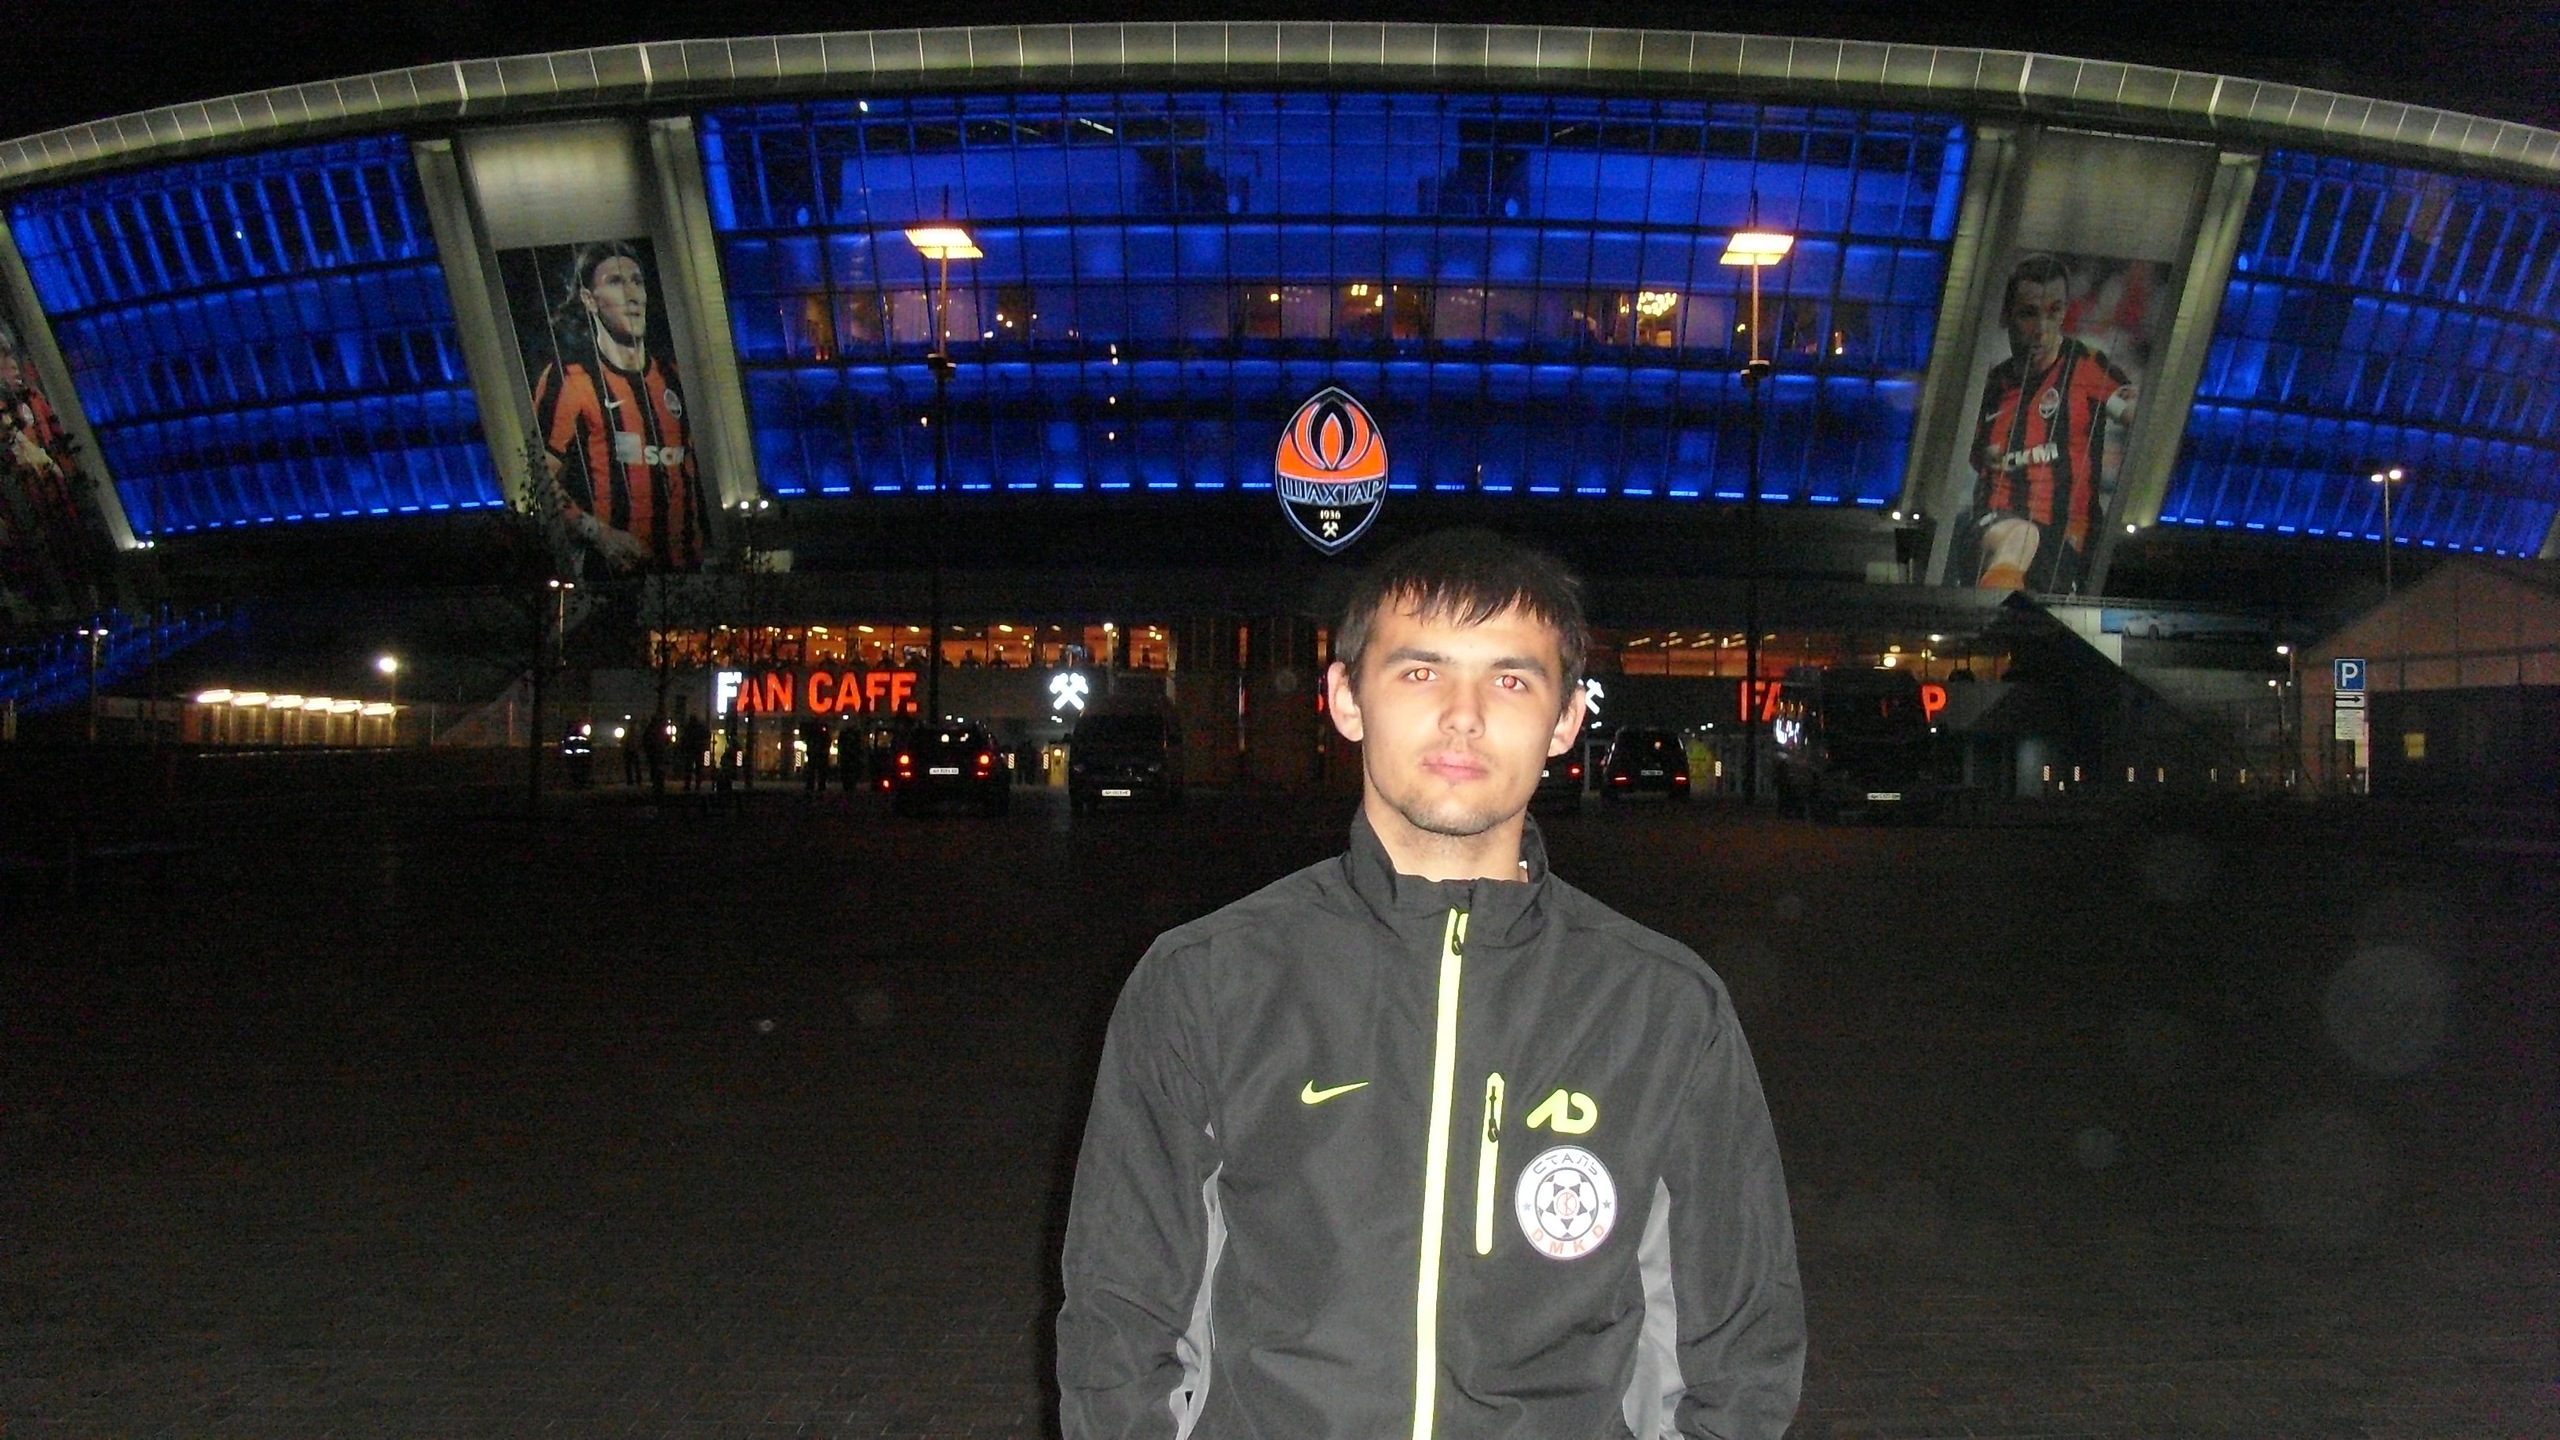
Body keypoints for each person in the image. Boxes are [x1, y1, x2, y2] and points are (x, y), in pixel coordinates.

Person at [1058, 529, 1803, 1439]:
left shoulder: (1664, 1009)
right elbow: (1121, 1330)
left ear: (1567, 720)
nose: (1463, 716)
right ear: (1346, 698)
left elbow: (1736, 1358)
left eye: (1511, 680)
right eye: (1420, 672)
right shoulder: (1205, 984)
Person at [531, 241, 707, 574]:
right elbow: (539, 476)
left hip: (687, 575)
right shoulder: (570, 380)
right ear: (589, 300)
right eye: (615, 282)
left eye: (637, 281)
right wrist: (599, 534)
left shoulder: (675, 377)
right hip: (615, 577)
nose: (632, 295)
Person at [1964, 253, 2136, 593]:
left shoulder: (2087, 367)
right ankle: (1987, 612)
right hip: (1996, 527)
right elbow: (1972, 457)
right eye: (2029, 313)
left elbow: (2136, 415)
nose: (2042, 329)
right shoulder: (1990, 388)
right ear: (2007, 315)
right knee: (2022, 535)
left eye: (2054, 311)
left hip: (2068, 542)